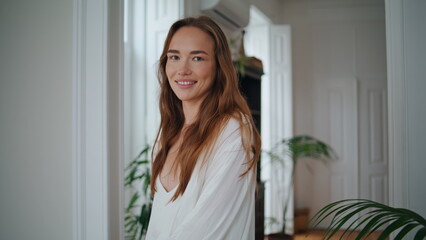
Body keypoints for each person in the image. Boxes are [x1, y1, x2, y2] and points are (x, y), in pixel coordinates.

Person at [145, 16, 261, 240]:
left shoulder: (233, 129)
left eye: (197, 58)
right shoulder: (172, 130)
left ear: (219, 67)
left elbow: (204, 230)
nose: (182, 69)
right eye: (174, 57)